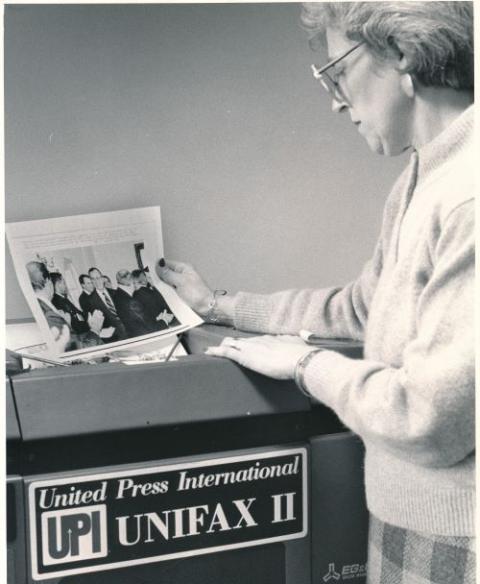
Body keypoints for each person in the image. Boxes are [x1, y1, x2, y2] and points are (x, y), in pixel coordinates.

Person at [156, 3, 474, 583]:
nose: (334, 100)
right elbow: (360, 308)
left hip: (461, 543)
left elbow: (429, 419)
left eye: (339, 72)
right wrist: (219, 306)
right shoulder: (422, 176)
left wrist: (305, 365)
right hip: (407, 524)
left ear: (400, 54)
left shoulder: (468, 197)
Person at [26, 262, 103, 351]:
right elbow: (77, 350)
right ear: (48, 281)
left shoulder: (38, 306)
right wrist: (95, 330)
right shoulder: (50, 314)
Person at [86, 267, 127, 342]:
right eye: (93, 279)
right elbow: (95, 326)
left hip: (129, 330)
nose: (96, 281)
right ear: (91, 281)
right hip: (114, 338)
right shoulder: (90, 301)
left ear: (102, 278)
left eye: (98, 277)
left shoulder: (115, 292)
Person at [113, 269, 155, 338]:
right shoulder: (129, 301)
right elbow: (147, 323)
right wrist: (163, 321)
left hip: (133, 334)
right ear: (127, 280)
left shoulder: (117, 295)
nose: (135, 283)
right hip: (144, 334)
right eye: (133, 280)